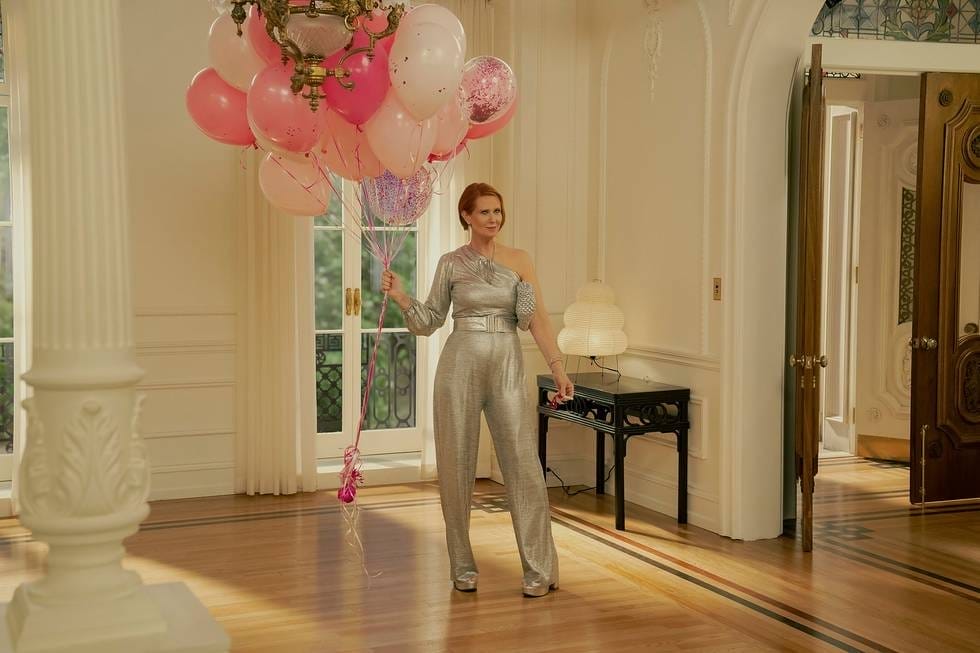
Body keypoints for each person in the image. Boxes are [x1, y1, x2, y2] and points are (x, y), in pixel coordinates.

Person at [381, 182, 574, 597]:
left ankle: (539, 569)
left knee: (523, 465)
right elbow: (430, 320)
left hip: (507, 362)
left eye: (498, 212)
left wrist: (558, 367)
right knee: (455, 466)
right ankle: (462, 568)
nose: (493, 219)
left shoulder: (520, 260)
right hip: (459, 364)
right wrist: (400, 296)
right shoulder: (451, 262)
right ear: (466, 216)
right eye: (484, 212)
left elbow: (537, 319)